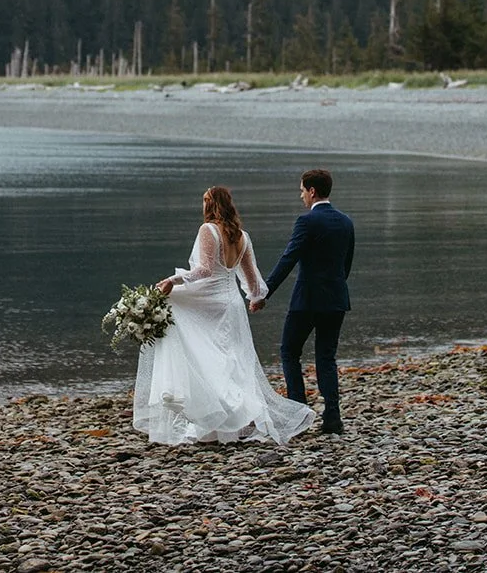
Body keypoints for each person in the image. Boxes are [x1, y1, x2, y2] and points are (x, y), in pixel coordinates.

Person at [132, 186, 316, 445]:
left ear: (211, 205)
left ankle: (215, 418)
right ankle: (225, 423)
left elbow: (204, 271)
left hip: (211, 304)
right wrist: (255, 298)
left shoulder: (208, 230)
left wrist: (174, 280)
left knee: (206, 357)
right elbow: (251, 277)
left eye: (204, 202)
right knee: (230, 360)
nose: (203, 206)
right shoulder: (243, 236)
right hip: (233, 304)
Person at [250, 168, 355, 435]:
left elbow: (288, 259)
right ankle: (333, 417)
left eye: (301, 190)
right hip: (336, 299)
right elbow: (346, 266)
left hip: (307, 300)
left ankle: (299, 412)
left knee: (289, 351)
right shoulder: (346, 222)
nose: (301, 196)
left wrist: (263, 293)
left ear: (312, 191)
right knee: (326, 357)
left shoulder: (306, 221)